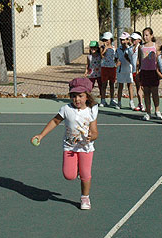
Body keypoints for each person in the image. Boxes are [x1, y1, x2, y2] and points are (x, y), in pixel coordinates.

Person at [31, 77, 99, 210]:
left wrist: (92, 137)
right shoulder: (66, 109)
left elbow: (95, 131)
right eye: (73, 96)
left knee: (85, 174)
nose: (77, 99)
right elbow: (55, 121)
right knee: (69, 175)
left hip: (86, 148)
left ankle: (85, 197)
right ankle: (77, 170)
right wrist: (41, 135)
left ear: (87, 96)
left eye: (80, 96)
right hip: (69, 147)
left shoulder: (91, 110)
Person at [137, 27, 162, 120]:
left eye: (147, 35)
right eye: (144, 35)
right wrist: (138, 72)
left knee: (155, 93)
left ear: (151, 36)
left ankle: (157, 111)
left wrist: (159, 73)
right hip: (144, 72)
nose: (145, 37)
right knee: (146, 93)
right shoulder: (141, 47)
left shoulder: (156, 46)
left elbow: (159, 60)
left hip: (153, 72)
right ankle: (148, 113)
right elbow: (139, 60)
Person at [115, 32, 136, 110]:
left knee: (130, 86)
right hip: (121, 71)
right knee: (120, 86)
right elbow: (115, 59)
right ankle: (119, 102)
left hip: (129, 70)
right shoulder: (118, 50)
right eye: (121, 40)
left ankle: (131, 102)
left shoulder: (130, 49)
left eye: (124, 40)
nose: (123, 41)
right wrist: (117, 62)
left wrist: (128, 59)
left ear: (128, 40)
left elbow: (132, 60)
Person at [99, 32, 117, 107]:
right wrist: (105, 49)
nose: (105, 41)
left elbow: (116, 58)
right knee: (104, 84)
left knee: (112, 84)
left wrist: (116, 64)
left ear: (111, 40)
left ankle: (112, 99)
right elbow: (101, 56)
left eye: (107, 40)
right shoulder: (102, 47)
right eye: (104, 40)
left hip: (112, 68)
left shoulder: (114, 48)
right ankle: (103, 100)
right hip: (104, 68)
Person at [130, 32, 144, 111]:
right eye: (132, 39)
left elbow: (140, 59)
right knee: (138, 87)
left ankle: (146, 104)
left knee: (143, 88)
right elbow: (127, 56)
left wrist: (139, 68)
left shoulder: (141, 47)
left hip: (141, 71)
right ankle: (140, 104)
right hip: (134, 71)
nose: (133, 41)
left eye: (135, 39)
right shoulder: (131, 48)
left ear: (139, 40)